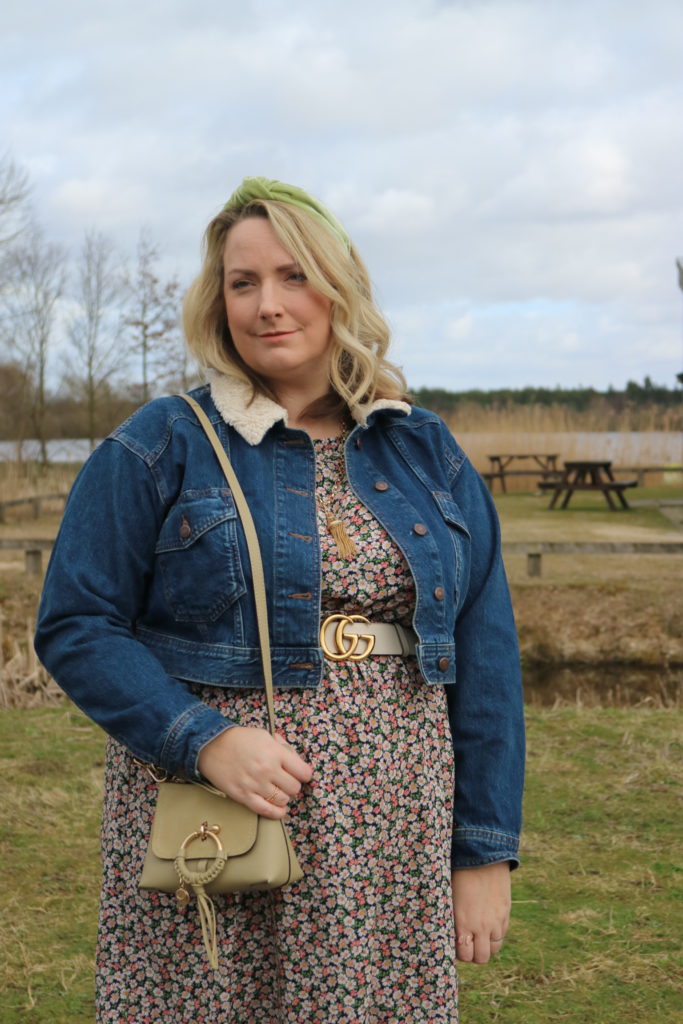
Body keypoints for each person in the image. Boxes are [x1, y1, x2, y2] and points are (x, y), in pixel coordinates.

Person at [35, 177, 525, 1023]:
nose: (268, 304)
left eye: (294, 276)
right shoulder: (162, 443)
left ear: (339, 286)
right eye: (243, 282)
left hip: (391, 824)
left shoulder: (424, 448)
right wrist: (206, 740)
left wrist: (482, 854)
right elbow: (78, 625)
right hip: (216, 810)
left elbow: (486, 659)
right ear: (216, 300)